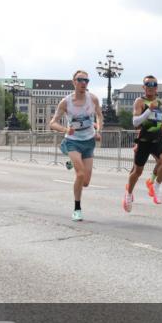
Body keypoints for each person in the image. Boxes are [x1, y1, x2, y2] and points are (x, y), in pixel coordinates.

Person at [49, 70, 103, 221]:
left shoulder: (92, 99)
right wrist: (66, 129)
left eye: (86, 80)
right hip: (73, 141)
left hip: (89, 141)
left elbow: (99, 115)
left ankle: (71, 162)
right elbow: (52, 123)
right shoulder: (66, 102)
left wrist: (98, 130)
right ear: (73, 82)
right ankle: (77, 208)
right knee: (80, 174)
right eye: (80, 80)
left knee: (85, 182)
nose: (83, 83)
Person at [123, 75, 162, 212]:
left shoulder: (159, 101)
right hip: (144, 140)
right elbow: (135, 122)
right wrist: (149, 110)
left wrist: (161, 125)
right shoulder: (139, 101)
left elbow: (154, 121)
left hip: (157, 139)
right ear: (143, 87)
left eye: (154, 84)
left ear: (157, 87)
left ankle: (155, 185)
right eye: (148, 84)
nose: (151, 87)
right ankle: (128, 193)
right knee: (137, 172)